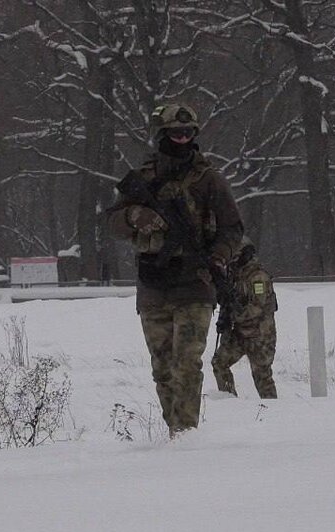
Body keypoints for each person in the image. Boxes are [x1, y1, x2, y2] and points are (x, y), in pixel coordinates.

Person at [107, 102, 244, 435]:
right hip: (154, 284)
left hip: (195, 285)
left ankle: (185, 434)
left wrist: (218, 256)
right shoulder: (143, 177)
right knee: (163, 369)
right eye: (175, 133)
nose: (182, 139)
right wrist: (135, 217)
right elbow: (112, 221)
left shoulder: (209, 179)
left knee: (187, 364)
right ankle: (175, 431)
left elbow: (232, 229)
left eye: (187, 133)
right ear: (163, 134)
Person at [211, 237, 278, 398]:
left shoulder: (258, 277)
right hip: (240, 334)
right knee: (219, 363)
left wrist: (234, 315)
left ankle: (273, 411)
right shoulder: (234, 276)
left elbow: (257, 308)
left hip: (259, 336)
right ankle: (229, 400)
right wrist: (224, 318)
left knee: (262, 376)